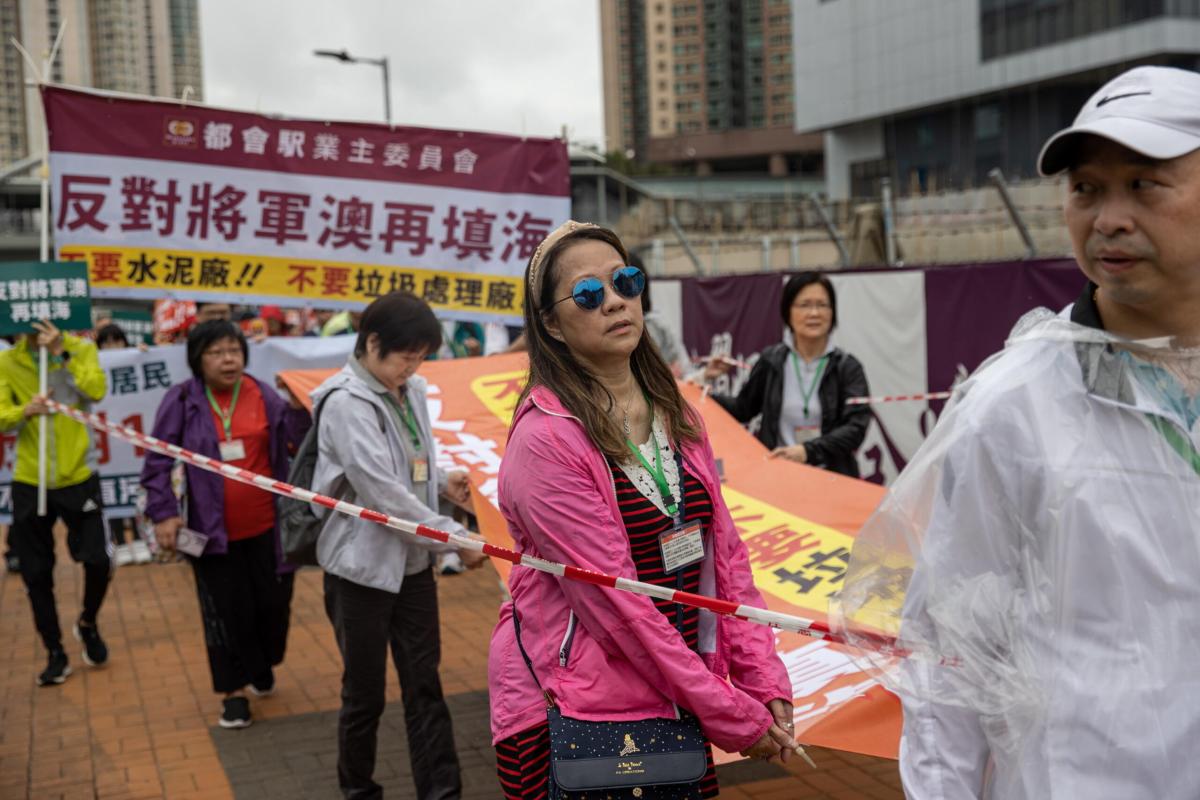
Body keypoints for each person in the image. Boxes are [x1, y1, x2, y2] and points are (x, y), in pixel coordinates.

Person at [832, 65, 1200, 799]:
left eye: (1145, 184)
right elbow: (950, 655)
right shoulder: (1015, 404)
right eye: (1086, 189)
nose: (1109, 218)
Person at [488, 221, 799, 799]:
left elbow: (727, 559)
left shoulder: (673, 411)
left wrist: (762, 678)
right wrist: (730, 713)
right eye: (588, 294)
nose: (614, 301)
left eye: (625, 281)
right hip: (573, 704)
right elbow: (618, 606)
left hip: (673, 685)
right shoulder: (545, 442)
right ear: (551, 324)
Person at [311, 291, 486, 800]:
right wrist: (453, 539)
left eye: (422, 355)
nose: (413, 365)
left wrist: (443, 486)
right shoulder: (345, 402)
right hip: (359, 572)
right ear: (372, 343)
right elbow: (381, 492)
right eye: (406, 354)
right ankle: (359, 790)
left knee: (425, 687)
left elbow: (410, 472)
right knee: (364, 695)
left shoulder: (409, 390)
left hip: (411, 566)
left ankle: (441, 790)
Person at [141, 320, 311, 729]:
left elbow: (296, 444)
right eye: (216, 352)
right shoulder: (182, 400)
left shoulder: (262, 393)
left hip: (269, 530)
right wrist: (164, 512)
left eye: (234, 350)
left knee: (272, 605)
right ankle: (233, 693)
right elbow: (156, 463)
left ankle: (260, 660)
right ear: (198, 359)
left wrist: (295, 407)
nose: (228, 359)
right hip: (211, 534)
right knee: (224, 611)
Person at [0, 319, 109, 685]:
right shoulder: (7, 361)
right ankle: (55, 653)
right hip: (30, 480)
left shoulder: (81, 350)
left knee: (97, 560)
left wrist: (61, 352)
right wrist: (23, 412)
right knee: (35, 572)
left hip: (80, 476)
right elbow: (1, 417)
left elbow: (96, 390)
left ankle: (88, 622)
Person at [704, 272, 870, 477]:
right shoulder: (771, 361)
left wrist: (807, 451)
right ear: (788, 312)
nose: (814, 313)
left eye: (822, 305)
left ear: (833, 312)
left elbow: (856, 428)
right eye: (805, 305)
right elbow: (743, 408)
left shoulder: (847, 367)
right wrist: (700, 392)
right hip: (779, 479)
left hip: (833, 479)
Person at [94, 323, 152, 566]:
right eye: (106, 342)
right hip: (106, 440)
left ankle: (139, 539)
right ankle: (118, 540)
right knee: (111, 491)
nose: (112, 347)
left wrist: (144, 354)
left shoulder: (133, 359)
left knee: (134, 489)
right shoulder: (93, 364)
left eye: (116, 341)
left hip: (132, 439)